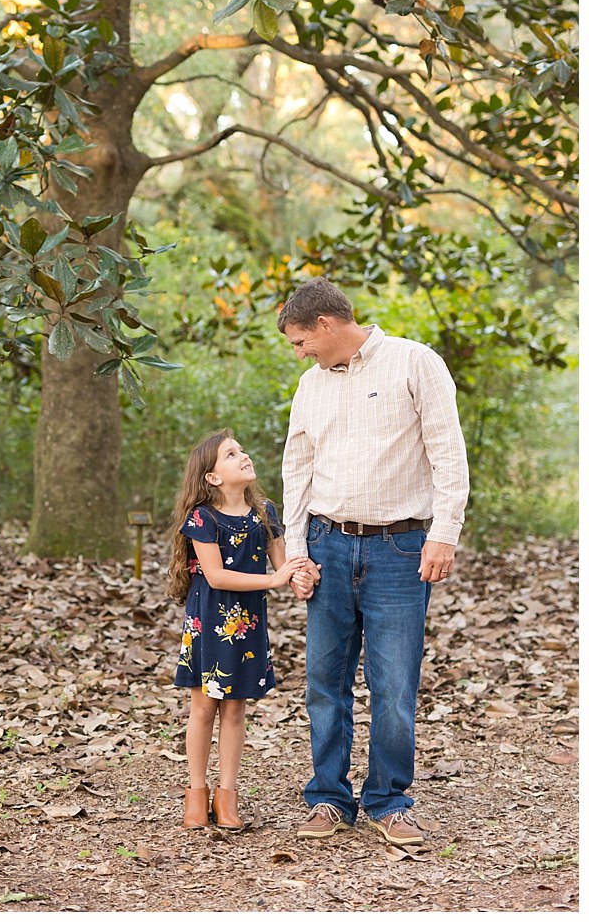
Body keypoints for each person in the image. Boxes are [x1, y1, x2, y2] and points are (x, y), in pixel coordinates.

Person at [278, 277, 469, 847]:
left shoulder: (416, 363)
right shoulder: (311, 386)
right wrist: (296, 550)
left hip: (400, 549)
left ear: (327, 326)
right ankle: (329, 799)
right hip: (328, 544)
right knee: (323, 680)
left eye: (300, 341)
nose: (299, 353)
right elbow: (297, 469)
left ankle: (389, 800)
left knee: (393, 684)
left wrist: (445, 533)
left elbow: (447, 452)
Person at [167, 430, 310, 830]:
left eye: (241, 450)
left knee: (235, 708)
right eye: (231, 454)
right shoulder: (203, 518)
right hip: (210, 622)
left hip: (247, 625)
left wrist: (300, 578)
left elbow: (286, 561)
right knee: (204, 706)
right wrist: (275, 579)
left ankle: (226, 796)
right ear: (212, 477)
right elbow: (215, 576)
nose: (243, 456)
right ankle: (196, 794)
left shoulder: (263, 511)